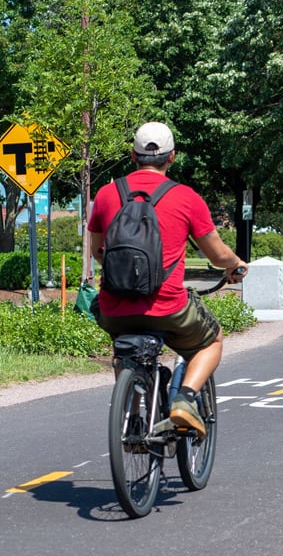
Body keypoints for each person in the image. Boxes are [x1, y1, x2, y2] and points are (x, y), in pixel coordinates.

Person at [89, 121, 248, 437]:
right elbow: (218, 255)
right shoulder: (185, 197)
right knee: (212, 340)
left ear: (133, 156)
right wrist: (236, 265)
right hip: (167, 307)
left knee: (125, 348)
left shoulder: (107, 194)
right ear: (172, 157)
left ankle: (133, 418)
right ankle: (185, 400)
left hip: (114, 308)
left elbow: (98, 251)